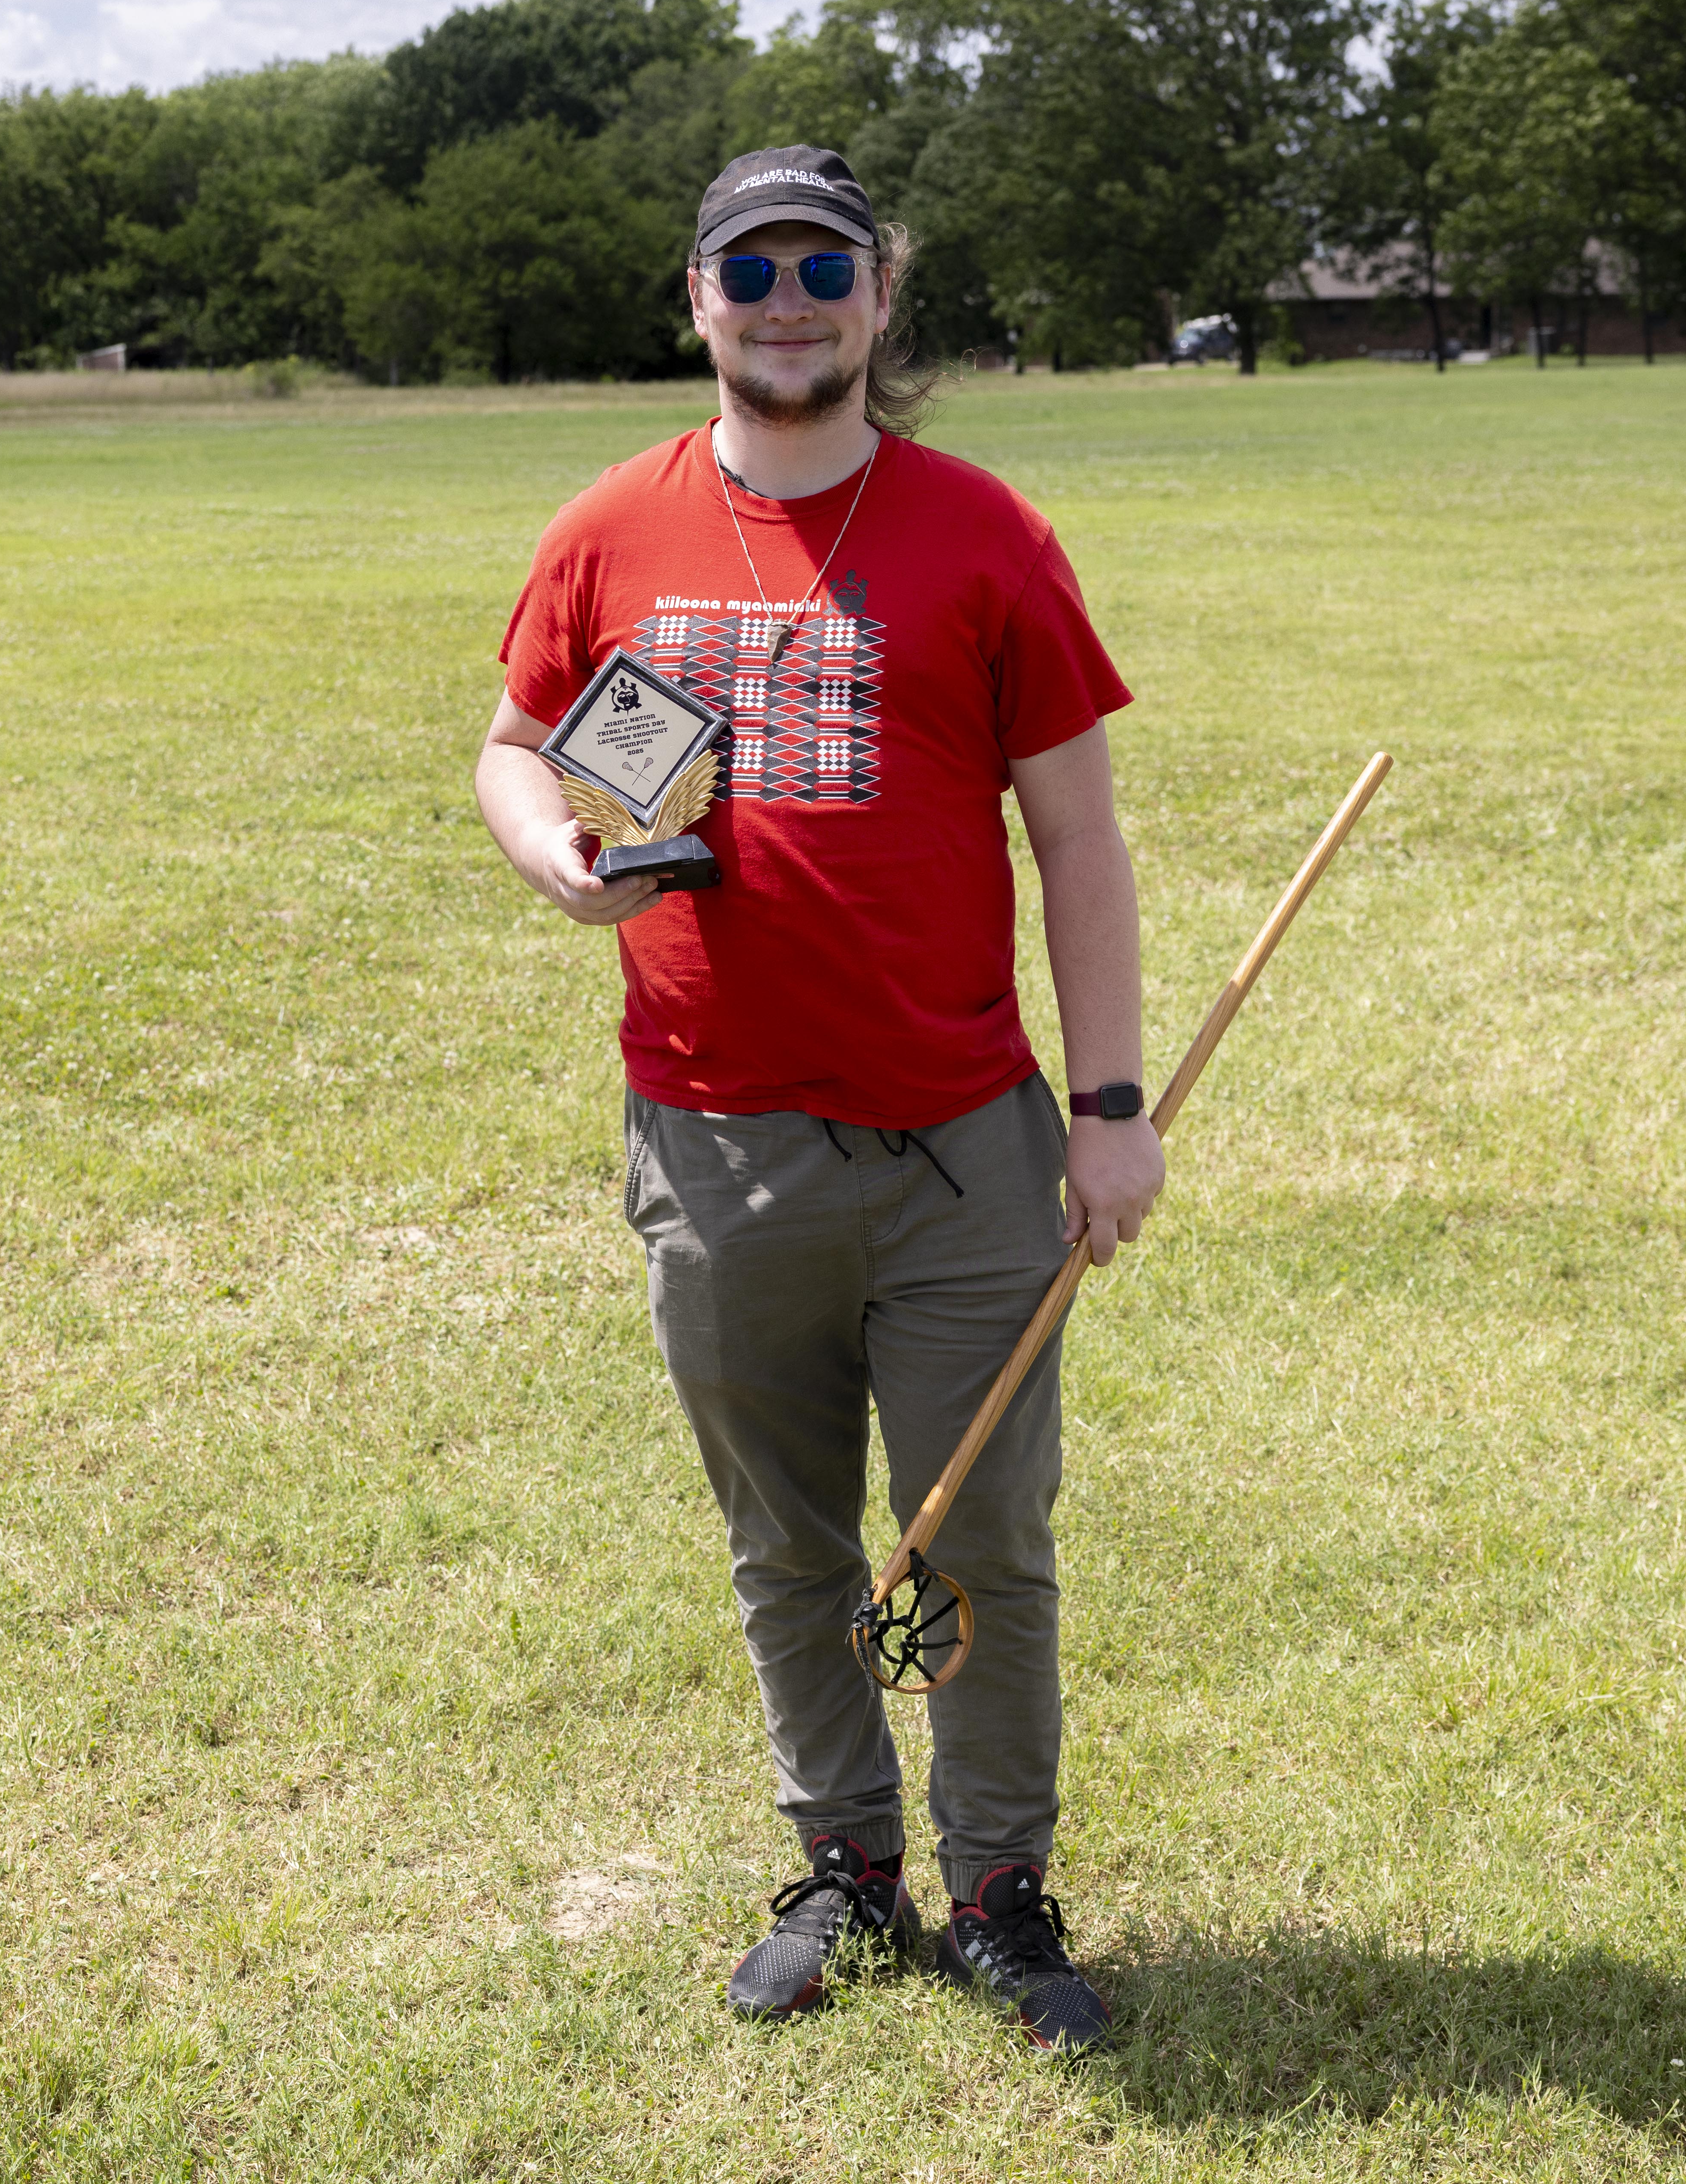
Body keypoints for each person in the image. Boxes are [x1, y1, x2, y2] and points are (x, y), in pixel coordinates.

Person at [472, 146, 1158, 2053]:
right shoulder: (609, 523)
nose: (787, 299)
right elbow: (517, 745)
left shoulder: (982, 531)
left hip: (963, 1148)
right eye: (749, 266)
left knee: (976, 1545)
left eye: (822, 265)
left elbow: (1078, 842)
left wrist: (1105, 1106)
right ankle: (843, 1869)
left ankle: (1001, 1888)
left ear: (881, 293)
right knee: (784, 1540)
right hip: (709, 1139)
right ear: (693, 296)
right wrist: (550, 855)